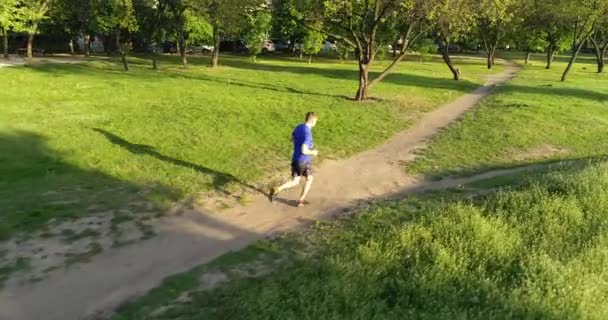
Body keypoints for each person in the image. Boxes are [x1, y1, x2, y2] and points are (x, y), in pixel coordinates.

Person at [269, 112, 319, 207]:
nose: (316, 123)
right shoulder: (308, 134)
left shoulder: (299, 127)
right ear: (312, 121)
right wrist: (313, 152)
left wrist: (306, 144)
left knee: (295, 181)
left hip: (295, 159)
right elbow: (304, 150)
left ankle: (277, 189)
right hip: (304, 161)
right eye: (316, 121)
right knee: (309, 179)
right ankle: (301, 200)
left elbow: (292, 138)